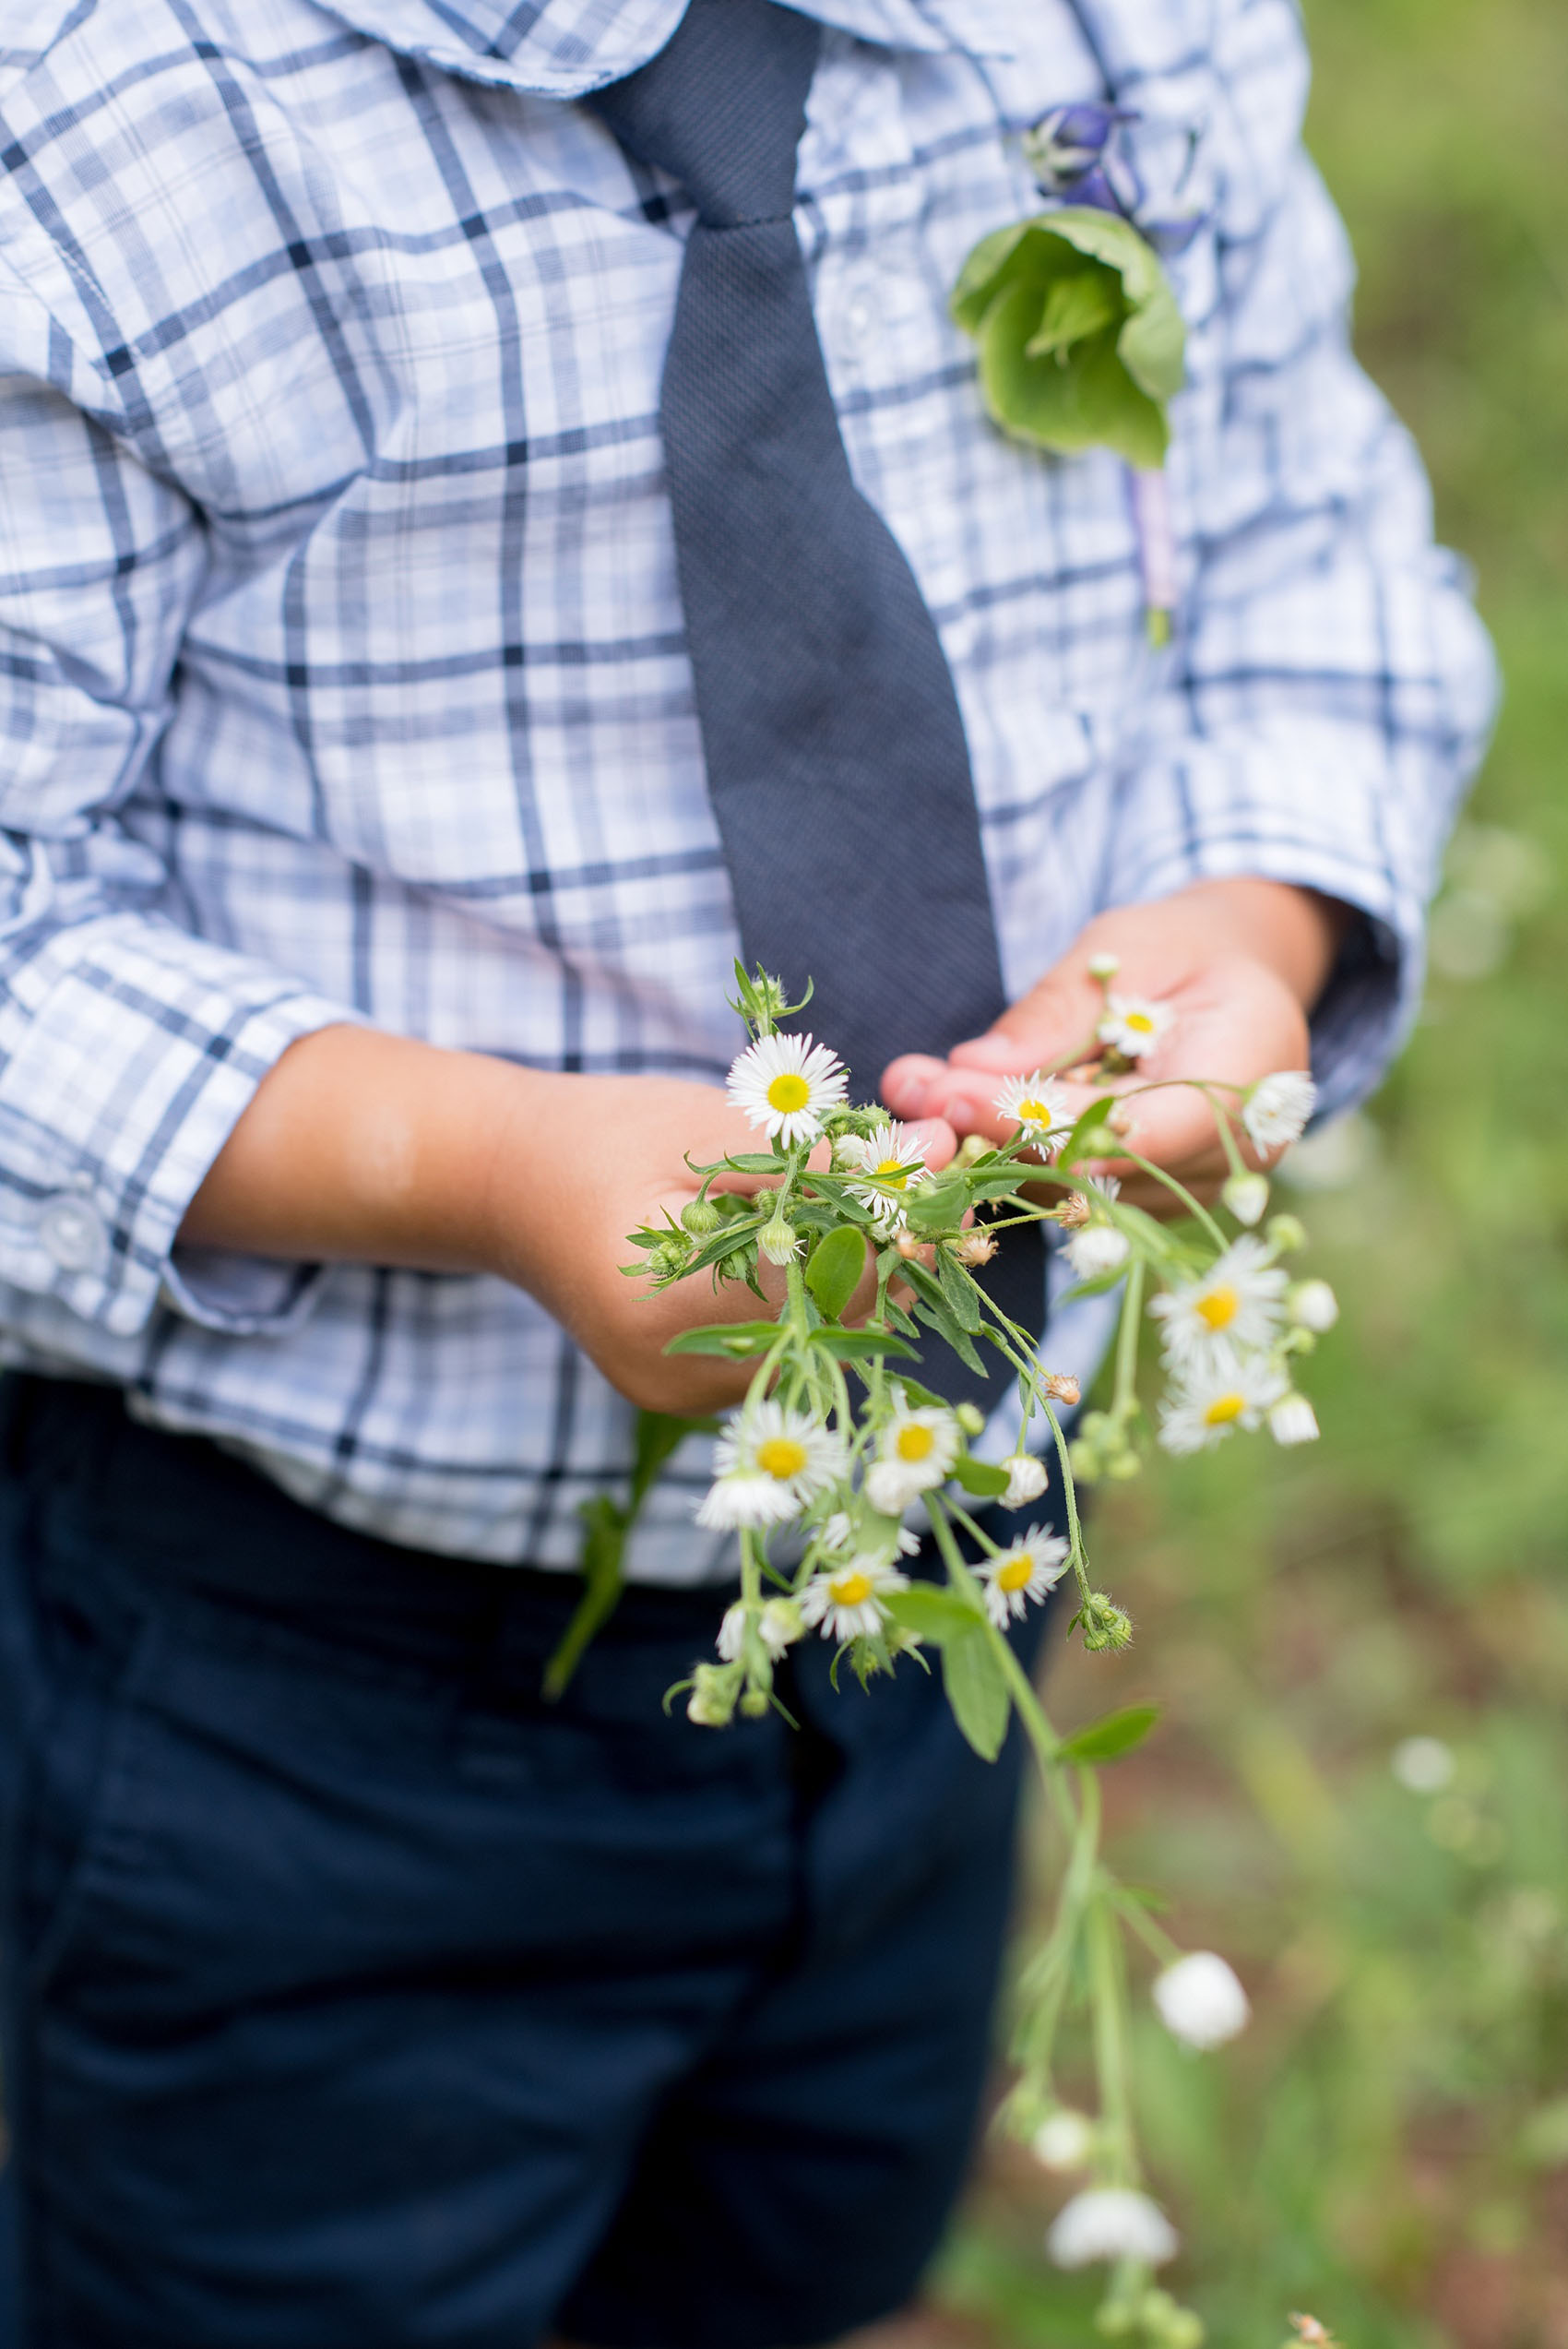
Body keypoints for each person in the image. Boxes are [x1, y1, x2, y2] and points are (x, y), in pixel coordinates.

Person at [0, 0, 1493, 2343]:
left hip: (937, 1575)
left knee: (796, 2241)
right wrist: (484, 1165)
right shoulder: (112, 108)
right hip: (312, 1677)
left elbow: (1309, 551)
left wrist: (1237, 926)